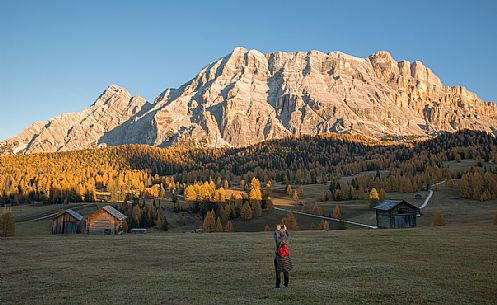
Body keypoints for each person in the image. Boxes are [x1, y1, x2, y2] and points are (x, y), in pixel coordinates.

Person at [273, 224, 292, 291]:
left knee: (278, 272)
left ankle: (277, 286)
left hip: (279, 257)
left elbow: (276, 238)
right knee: (286, 271)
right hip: (286, 257)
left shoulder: (279, 241)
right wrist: (285, 230)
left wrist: (277, 231)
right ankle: (286, 285)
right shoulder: (286, 240)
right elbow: (288, 236)